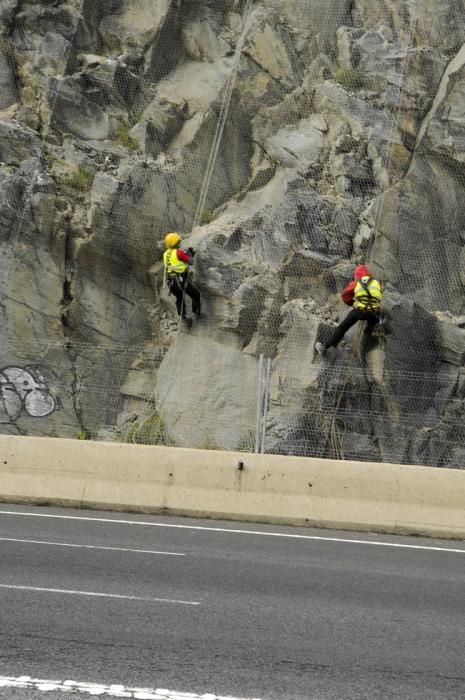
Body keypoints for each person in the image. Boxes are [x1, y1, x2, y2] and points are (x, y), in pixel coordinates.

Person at [315, 265, 382, 356]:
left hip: (359, 311)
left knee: (342, 327)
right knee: (372, 325)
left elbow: (345, 296)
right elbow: (378, 296)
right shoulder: (376, 283)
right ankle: (370, 344)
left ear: (357, 275)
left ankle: (325, 348)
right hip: (373, 313)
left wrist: (353, 303)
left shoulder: (356, 282)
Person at [163, 232, 201, 320]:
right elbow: (190, 262)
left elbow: (174, 262)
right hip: (180, 281)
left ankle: (183, 318)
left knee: (179, 298)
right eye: (178, 241)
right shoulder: (178, 253)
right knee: (196, 294)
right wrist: (190, 254)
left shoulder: (165, 254)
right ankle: (196, 314)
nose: (180, 242)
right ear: (175, 243)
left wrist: (185, 254)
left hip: (171, 282)